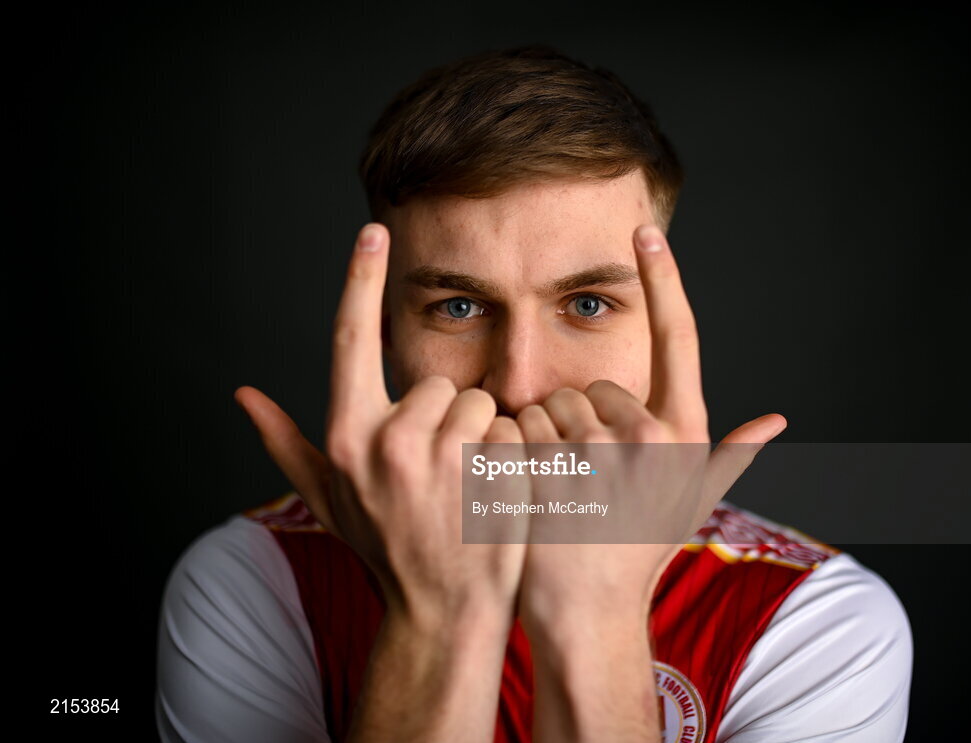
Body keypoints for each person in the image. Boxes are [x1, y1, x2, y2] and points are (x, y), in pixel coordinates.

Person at [155, 44, 912, 743]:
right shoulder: (253, 583)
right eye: (458, 307)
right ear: (385, 335)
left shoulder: (813, 622)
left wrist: (595, 619)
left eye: (587, 304)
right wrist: (438, 617)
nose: (517, 384)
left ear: (663, 332)